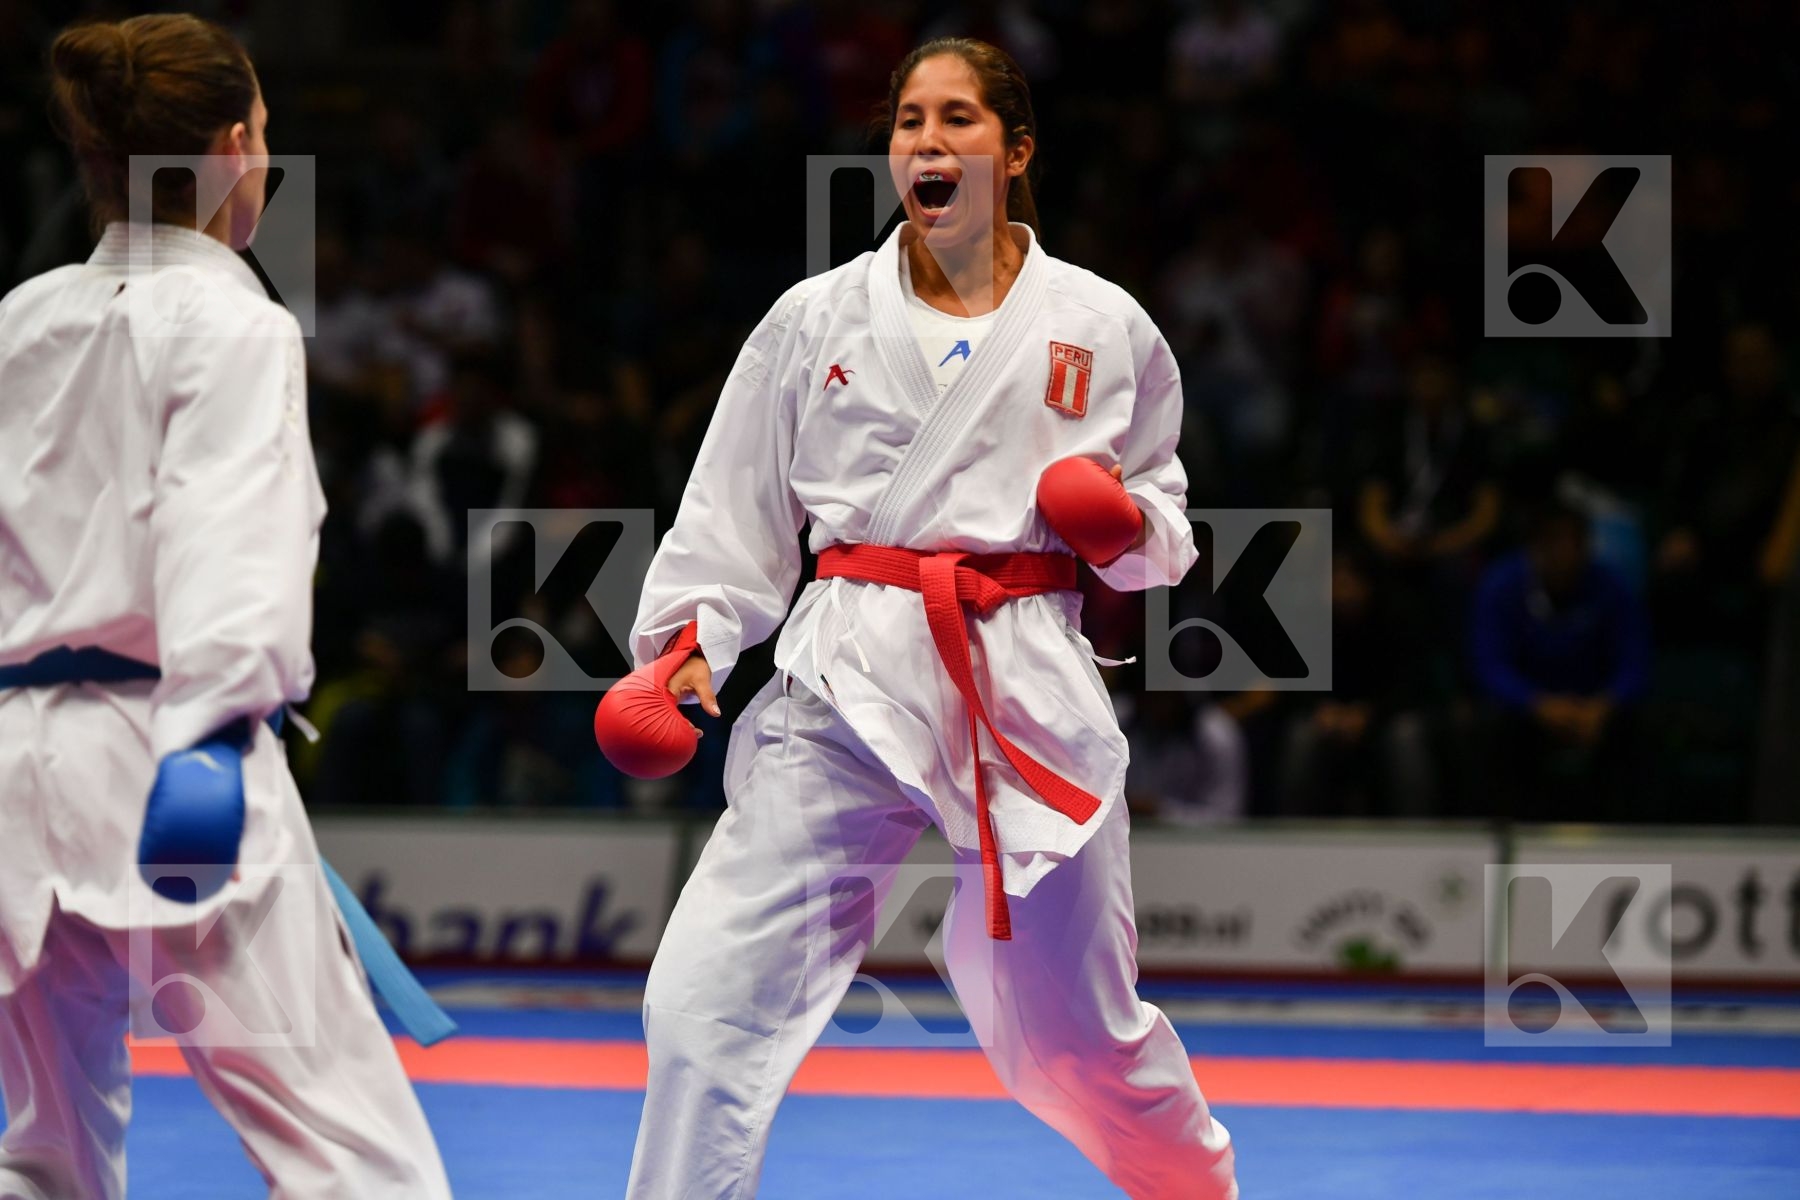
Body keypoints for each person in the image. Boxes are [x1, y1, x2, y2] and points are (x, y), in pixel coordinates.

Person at [619, 37, 1238, 1199]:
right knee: (704, 1002)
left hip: (1023, 689)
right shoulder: (815, 317)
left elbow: (1166, 530)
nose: (929, 141)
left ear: (1016, 150)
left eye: (959, 118)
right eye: (910, 121)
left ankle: (1198, 1187)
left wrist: (1118, 527)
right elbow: (736, 511)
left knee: (1081, 1037)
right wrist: (692, 642)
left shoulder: (1104, 325)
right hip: (845, 671)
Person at [0, 15, 450, 1198]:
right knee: (355, 1157)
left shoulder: (17, 323)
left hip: (16, 783)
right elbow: (227, 537)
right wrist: (205, 745)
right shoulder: (236, 321)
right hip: (169, 754)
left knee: (50, 1152)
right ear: (240, 145)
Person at [1470, 502, 1652, 823]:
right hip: (1529, 709)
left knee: (1641, 730)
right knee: (1488, 728)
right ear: (1534, 546)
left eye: (1574, 542)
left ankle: (1629, 838)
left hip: (1594, 710)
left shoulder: (1612, 587)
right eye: (1554, 540)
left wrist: (1603, 706)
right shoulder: (1502, 586)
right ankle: (1505, 836)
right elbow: (1490, 666)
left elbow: (1634, 663)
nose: (1565, 552)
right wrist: (1537, 704)